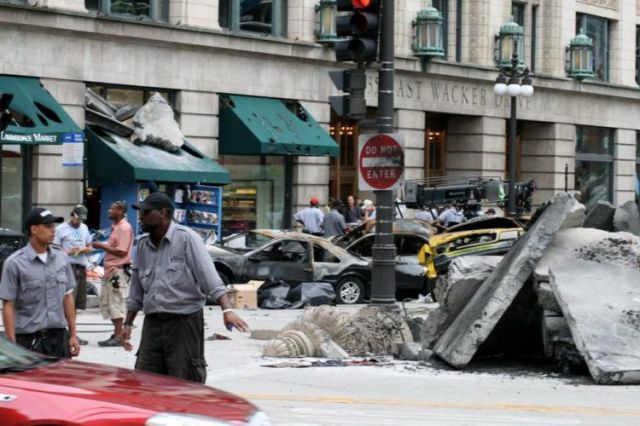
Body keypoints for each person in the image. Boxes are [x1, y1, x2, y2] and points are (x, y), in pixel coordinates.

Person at [122, 192, 248, 383]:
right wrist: (128, 323)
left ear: (163, 213)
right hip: (153, 324)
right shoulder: (142, 245)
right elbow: (136, 288)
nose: (141, 217)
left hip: (184, 323)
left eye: (146, 212)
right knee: (145, 380)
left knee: (183, 381)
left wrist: (227, 309)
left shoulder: (187, 239)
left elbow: (210, 278)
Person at [0, 208, 80, 358]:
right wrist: (12, 347)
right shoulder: (14, 263)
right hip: (29, 341)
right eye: (48, 226)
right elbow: (8, 306)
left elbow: (67, 297)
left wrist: (73, 335)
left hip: (58, 339)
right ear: (34, 229)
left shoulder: (61, 258)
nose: (53, 231)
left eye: (54, 226)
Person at [92, 200, 133, 347]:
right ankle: (117, 333)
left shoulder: (124, 228)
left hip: (118, 271)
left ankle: (118, 336)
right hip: (111, 270)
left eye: (112, 208)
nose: (109, 211)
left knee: (116, 303)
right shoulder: (115, 227)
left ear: (120, 211)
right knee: (110, 303)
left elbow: (121, 251)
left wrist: (101, 246)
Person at [54, 204, 92, 346]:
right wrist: (69, 251)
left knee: (75, 302)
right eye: (77, 219)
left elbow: (90, 245)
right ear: (72, 215)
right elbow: (54, 249)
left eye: (81, 220)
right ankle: (64, 332)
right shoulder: (61, 229)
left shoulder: (84, 228)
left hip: (80, 266)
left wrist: (84, 250)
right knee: (66, 299)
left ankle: (72, 332)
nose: (79, 222)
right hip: (67, 266)